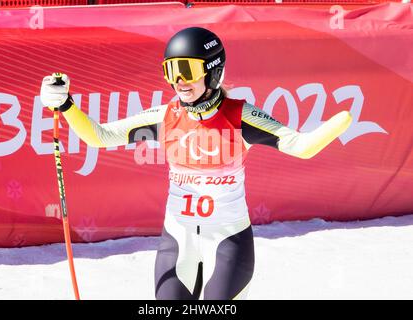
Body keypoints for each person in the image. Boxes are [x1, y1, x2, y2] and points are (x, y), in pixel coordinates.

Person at [40, 27, 352, 300]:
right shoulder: (167, 116)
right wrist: (67, 105)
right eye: (171, 70)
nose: (178, 81)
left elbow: (300, 146)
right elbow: (100, 136)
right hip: (179, 240)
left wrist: (337, 125)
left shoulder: (239, 116)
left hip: (228, 242)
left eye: (187, 70)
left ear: (213, 71)